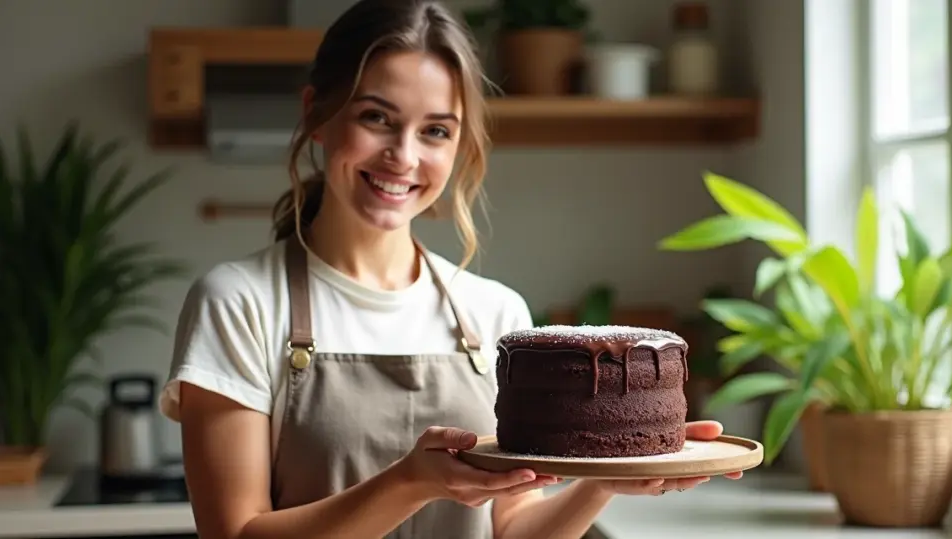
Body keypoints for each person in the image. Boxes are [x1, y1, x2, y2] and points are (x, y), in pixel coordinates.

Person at [158, 0, 741, 537]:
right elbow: (233, 533)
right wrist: (409, 482)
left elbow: (512, 528)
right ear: (318, 115)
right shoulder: (238, 303)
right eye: (376, 118)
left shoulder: (497, 313)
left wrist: (602, 481)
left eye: (435, 130)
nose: (404, 156)